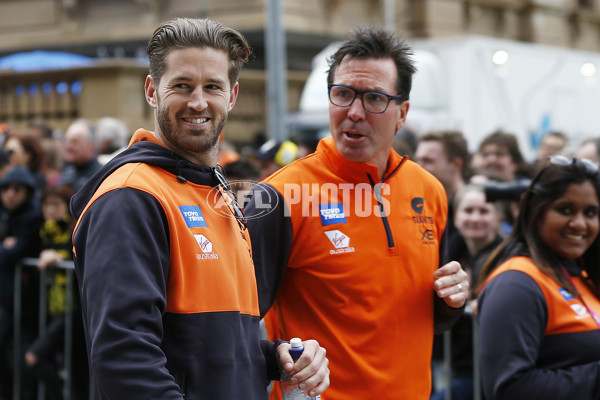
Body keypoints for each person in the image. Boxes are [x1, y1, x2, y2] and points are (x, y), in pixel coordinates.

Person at [69, 17, 329, 400]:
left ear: (233, 95)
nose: (198, 101)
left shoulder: (216, 192)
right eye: (182, 85)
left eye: (212, 87)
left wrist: (277, 357)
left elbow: (211, 346)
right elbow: (126, 362)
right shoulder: (130, 197)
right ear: (152, 91)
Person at [245, 27, 468, 399]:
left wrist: (451, 300)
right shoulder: (281, 195)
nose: (354, 112)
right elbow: (236, 322)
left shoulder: (429, 190)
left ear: (403, 113)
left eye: (374, 98)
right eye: (343, 94)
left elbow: (428, 317)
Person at [477, 155, 600, 399]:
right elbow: (509, 388)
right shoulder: (516, 284)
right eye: (565, 210)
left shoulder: (584, 274)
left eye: (591, 212)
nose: (579, 224)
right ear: (536, 211)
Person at [430, 184, 503, 400]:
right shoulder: (449, 251)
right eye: (468, 210)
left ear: (497, 217)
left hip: (483, 368)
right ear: (456, 217)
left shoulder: (506, 257)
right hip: (452, 360)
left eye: (484, 211)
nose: (475, 218)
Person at [25, 184, 89, 400]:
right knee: (77, 373)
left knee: (36, 357)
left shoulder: (75, 230)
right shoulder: (44, 232)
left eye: (56, 204)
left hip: (74, 312)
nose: (50, 209)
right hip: (56, 311)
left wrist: (58, 256)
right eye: (46, 204)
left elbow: (75, 252)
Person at [0, 166, 43, 399]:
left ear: (27, 192)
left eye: (16, 189)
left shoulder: (31, 216)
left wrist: (10, 248)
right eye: (5, 188)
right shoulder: (5, 213)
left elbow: (14, 253)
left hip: (22, 304)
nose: (9, 194)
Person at [59, 119, 102, 192]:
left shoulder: (100, 176)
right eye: (66, 141)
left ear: (90, 146)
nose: (68, 146)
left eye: (74, 142)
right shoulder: (66, 172)